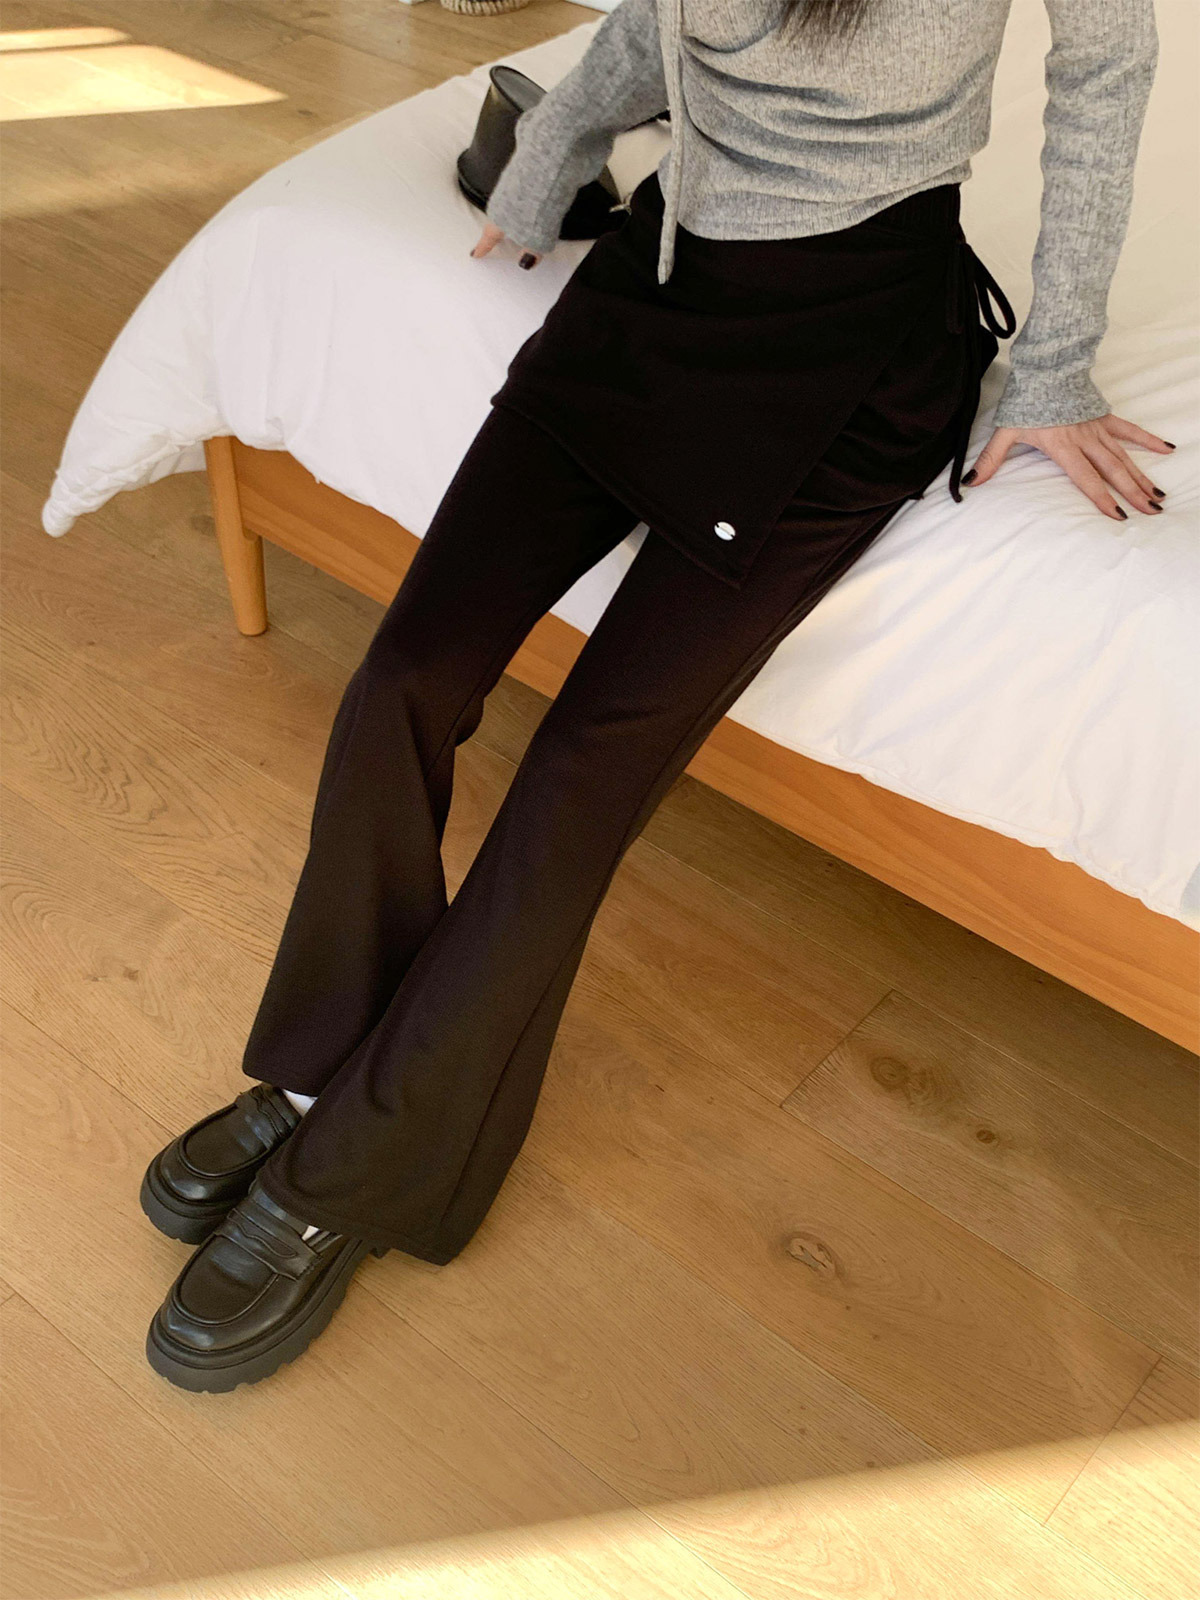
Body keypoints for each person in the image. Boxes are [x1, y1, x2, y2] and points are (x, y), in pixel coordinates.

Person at [140, 0, 1170, 1392]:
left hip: (856, 349)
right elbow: (655, 20)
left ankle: (367, 1167)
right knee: (404, 677)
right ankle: (322, 1070)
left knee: (578, 777)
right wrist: (552, 152)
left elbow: (1108, 63)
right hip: (663, 281)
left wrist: (1051, 360)